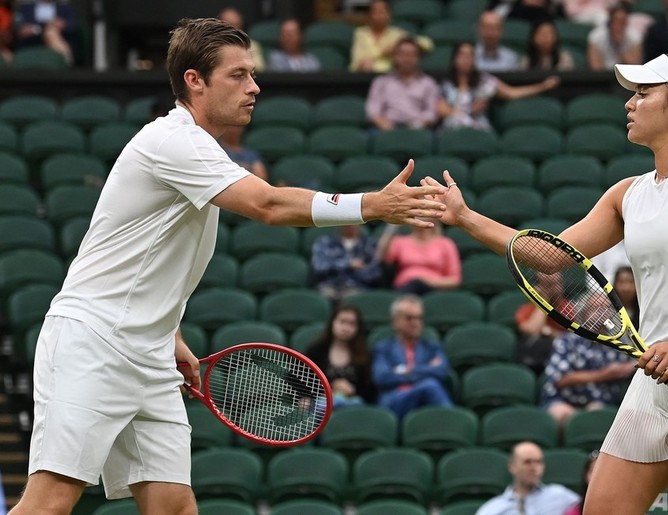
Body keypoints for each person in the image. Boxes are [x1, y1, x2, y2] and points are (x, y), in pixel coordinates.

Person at [10, 17, 447, 515]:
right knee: (49, 503)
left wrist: (170, 333)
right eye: (238, 75)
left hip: (149, 352)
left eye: (252, 73)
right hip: (93, 342)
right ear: (194, 81)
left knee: (174, 507)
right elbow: (269, 205)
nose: (254, 86)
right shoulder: (173, 141)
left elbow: (152, 256)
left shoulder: (202, 151)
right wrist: (370, 205)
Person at [421, 49, 668, 513]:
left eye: (643, 94)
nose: (629, 103)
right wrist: (465, 217)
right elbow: (547, 257)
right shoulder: (627, 193)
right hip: (656, 375)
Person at [438, 41, 560, 131]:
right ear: (454, 59)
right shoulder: (446, 84)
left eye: (470, 55)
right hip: (451, 131)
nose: (466, 59)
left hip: (478, 130)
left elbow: (512, 93)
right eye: (462, 55)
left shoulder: (484, 81)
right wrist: (469, 110)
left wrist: (542, 86)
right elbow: (441, 110)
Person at [371, 294, 454, 419]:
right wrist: (426, 370)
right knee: (430, 385)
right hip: (395, 400)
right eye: (409, 318)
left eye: (419, 318)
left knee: (430, 386)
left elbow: (441, 372)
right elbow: (382, 377)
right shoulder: (383, 348)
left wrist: (405, 370)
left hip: (424, 400)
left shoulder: (432, 347)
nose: (415, 323)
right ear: (395, 321)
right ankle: (451, 421)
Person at [541, 331, 636, 429]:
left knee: (596, 416)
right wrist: (603, 375)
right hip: (563, 399)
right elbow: (559, 379)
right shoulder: (567, 340)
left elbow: (637, 360)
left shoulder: (619, 341)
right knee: (562, 413)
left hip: (600, 401)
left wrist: (629, 367)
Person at [476, 441, 581, 515]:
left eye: (538, 462)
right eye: (527, 462)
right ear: (512, 466)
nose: (534, 468)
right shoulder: (493, 508)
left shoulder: (560, 495)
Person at [305, 305, 376, 408]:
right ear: (332, 323)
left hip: (353, 403)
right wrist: (331, 388)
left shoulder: (364, 354)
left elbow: (369, 388)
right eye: (342, 322)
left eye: (352, 324)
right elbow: (298, 378)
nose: (346, 328)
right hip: (321, 402)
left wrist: (352, 390)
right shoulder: (316, 351)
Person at [365, 37, 440, 131]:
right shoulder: (381, 82)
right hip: (386, 127)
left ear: (418, 58)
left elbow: (431, 112)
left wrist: (417, 125)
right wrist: (383, 124)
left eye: (411, 55)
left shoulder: (428, 83)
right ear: (395, 57)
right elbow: (372, 111)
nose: (407, 58)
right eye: (402, 54)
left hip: (418, 128)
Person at [376, 222, 461, 295]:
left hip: (434, 290)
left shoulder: (445, 244)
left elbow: (454, 280)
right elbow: (381, 258)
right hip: (405, 288)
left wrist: (427, 281)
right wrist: (392, 227)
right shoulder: (401, 242)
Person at [349, 0, 433, 73]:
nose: (379, 16)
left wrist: (396, 47)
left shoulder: (396, 34)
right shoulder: (361, 33)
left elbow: (427, 44)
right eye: (375, 12)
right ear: (369, 15)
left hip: (389, 77)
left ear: (389, 15)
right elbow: (355, 62)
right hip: (363, 76)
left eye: (382, 12)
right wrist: (363, 64)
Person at [311, 224, 383, 303]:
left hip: (356, 288)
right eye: (347, 221)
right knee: (321, 299)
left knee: (354, 300)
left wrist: (359, 271)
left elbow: (374, 273)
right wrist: (347, 264)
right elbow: (319, 267)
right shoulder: (325, 242)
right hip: (329, 286)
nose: (350, 225)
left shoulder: (369, 244)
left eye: (354, 221)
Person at [14, 0, 78, 65]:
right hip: (33, 39)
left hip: (58, 36)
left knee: (51, 32)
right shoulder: (26, 8)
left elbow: (71, 26)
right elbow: (21, 28)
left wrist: (63, 24)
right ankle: (67, 61)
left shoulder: (63, 8)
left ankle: (66, 61)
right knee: (50, 32)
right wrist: (41, 28)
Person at [587, 4, 642, 70]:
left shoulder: (634, 36)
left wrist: (619, 46)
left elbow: (635, 65)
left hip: (626, 73)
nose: (619, 25)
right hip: (604, 73)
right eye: (617, 20)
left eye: (623, 21)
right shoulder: (596, 36)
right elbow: (595, 67)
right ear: (610, 22)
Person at [218, 6, 265, 72]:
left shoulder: (252, 45)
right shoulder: (212, 45)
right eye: (229, 24)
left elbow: (259, 68)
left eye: (236, 24)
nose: (233, 28)